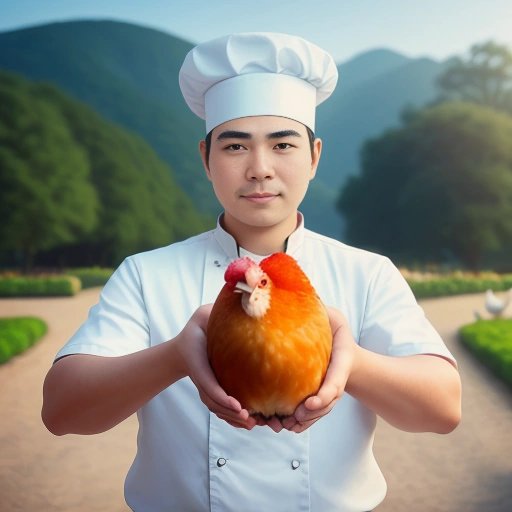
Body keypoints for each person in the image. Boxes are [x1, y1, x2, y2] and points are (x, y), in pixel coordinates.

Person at [42, 32, 461, 512]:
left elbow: (444, 409)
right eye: (235, 147)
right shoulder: (145, 274)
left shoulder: (366, 272)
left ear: (314, 156)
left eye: (282, 144)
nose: (260, 169)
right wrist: (177, 356)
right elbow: (61, 411)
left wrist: (348, 358)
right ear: (206, 158)